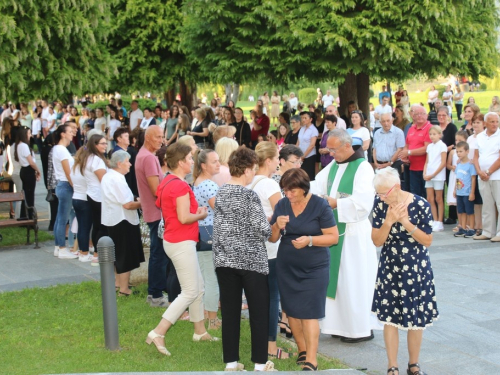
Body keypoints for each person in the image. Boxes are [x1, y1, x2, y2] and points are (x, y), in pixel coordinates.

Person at [146, 143, 216, 357]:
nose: (192, 162)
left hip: (176, 240)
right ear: (180, 162)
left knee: (199, 287)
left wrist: (196, 213)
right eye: (189, 158)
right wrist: (202, 215)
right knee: (190, 291)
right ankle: (159, 332)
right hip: (181, 241)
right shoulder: (179, 185)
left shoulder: (168, 180)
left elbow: (174, 212)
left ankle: (200, 331)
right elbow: (184, 218)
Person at [312, 129, 380, 343]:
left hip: (353, 234)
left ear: (347, 146)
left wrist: (335, 203)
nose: (330, 153)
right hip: (335, 230)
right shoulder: (334, 165)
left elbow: (363, 203)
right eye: (329, 149)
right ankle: (338, 325)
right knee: (338, 280)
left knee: (354, 280)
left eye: (334, 149)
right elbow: (317, 183)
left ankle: (359, 328)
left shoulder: (363, 168)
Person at [213, 147, 275, 372]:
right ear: (248, 170)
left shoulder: (221, 192)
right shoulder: (249, 195)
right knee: (259, 311)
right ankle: (260, 363)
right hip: (251, 261)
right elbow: (263, 230)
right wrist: (273, 222)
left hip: (224, 259)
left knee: (230, 312)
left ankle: (231, 362)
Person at [269, 168, 338, 370]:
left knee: (309, 312)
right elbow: (272, 238)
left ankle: (312, 359)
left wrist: (310, 240)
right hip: (287, 265)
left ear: (304, 188)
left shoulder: (320, 205)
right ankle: (301, 350)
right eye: (285, 191)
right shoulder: (282, 205)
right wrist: (275, 227)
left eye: (292, 191)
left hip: (314, 267)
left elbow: (332, 237)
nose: (288, 195)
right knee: (291, 310)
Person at [371, 167, 438, 375]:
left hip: (416, 267)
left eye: (384, 193)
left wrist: (404, 221)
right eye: (378, 193)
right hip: (390, 265)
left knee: (416, 319)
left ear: (396, 187)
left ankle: (414, 365)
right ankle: (392, 366)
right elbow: (377, 241)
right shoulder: (380, 205)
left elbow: (427, 240)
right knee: (390, 318)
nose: (381, 197)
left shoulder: (420, 204)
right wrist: (389, 222)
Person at [248, 142, 288, 360]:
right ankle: (270, 347)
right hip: (270, 247)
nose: (279, 162)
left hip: (252, 247)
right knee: (272, 297)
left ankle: (260, 341)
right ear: (270, 160)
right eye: (277, 158)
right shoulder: (270, 185)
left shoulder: (249, 181)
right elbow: (283, 214)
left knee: (258, 297)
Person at [101, 150, 145, 296]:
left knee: (118, 253)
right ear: (119, 163)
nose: (130, 164)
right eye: (127, 161)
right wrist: (143, 203)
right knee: (124, 254)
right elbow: (127, 204)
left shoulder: (109, 176)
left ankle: (118, 283)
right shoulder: (117, 178)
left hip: (112, 219)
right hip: (122, 219)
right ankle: (124, 289)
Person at [135, 125, 169, 307]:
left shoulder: (145, 155)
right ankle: (155, 295)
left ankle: (157, 291)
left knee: (159, 253)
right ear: (148, 138)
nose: (161, 140)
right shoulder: (148, 158)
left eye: (162, 137)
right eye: (158, 137)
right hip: (156, 212)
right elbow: (156, 190)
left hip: (153, 211)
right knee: (159, 254)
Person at [192, 149, 221, 330]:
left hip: (202, 232)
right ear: (203, 166)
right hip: (209, 233)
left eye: (218, 160)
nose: (218, 164)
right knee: (211, 279)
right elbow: (219, 208)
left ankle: (205, 314)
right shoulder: (209, 185)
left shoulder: (199, 182)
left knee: (205, 277)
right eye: (214, 161)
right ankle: (213, 319)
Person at [472, 112, 500, 242]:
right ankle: (488, 231)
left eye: (496, 121)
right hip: (482, 176)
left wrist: (488, 172)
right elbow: (476, 156)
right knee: (487, 205)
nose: (495, 124)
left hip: (497, 176)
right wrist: (479, 171)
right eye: (492, 122)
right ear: (485, 123)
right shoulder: (480, 137)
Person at [52, 124, 78, 259]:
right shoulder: (61, 150)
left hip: (62, 185)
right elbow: (68, 172)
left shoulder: (60, 149)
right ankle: (62, 248)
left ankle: (58, 246)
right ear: (63, 134)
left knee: (60, 218)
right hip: (66, 185)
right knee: (63, 219)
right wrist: (75, 186)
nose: (72, 133)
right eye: (69, 131)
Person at [82, 134, 108, 265]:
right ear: (95, 145)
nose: (105, 146)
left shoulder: (89, 158)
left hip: (93, 195)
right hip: (99, 196)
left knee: (97, 225)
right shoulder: (97, 160)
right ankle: (97, 255)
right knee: (101, 226)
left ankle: (97, 254)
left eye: (105, 143)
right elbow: (104, 180)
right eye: (102, 143)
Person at [399, 105, 431, 198]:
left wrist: (409, 153)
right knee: (414, 195)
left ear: (427, 115)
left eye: (422, 114)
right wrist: (404, 156)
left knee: (425, 196)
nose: (419, 116)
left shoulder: (429, 128)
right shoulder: (411, 128)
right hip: (412, 168)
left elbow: (426, 148)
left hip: (425, 169)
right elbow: (407, 145)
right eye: (417, 114)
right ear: (413, 116)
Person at [71, 147, 94, 262]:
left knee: (81, 227)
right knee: (85, 228)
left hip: (76, 198)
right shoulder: (85, 169)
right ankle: (84, 252)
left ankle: (82, 251)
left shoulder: (75, 167)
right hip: (85, 199)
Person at [423, 126, 447, 232]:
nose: (432, 136)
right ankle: (434, 219)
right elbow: (427, 162)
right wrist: (425, 173)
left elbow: (443, 162)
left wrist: (433, 174)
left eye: (434, 134)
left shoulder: (442, 146)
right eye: (430, 134)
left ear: (439, 135)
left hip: (438, 176)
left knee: (438, 198)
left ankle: (440, 222)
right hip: (429, 175)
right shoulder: (429, 147)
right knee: (430, 198)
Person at [15, 127, 41, 219]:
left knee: (26, 194)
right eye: (29, 133)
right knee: (29, 195)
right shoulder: (24, 146)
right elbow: (31, 162)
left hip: (25, 170)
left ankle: (24, 215)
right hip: (28, 170)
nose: (30, 135)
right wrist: (38, 170)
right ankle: (29, 216)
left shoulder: (19, 145)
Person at [453, 141, 477, 238]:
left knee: (469, 211)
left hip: (467, 192)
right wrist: (455, 190)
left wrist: (472, 192)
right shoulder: (458, 165)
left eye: (461, 151)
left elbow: (473, 178)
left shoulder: (470, 165)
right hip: (460, 192)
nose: (458, 153)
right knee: (461, 211)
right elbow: (457, 178)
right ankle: (462, 227)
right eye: (457, 152)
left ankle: (471, 228)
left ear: (467, 151)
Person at [467, 116, 484, 236]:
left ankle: (484, 225)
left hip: (482, 170)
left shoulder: (484, 137)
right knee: (476, 200)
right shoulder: (470, 138)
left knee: (484, 200)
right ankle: (477, 225)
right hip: (471, 171)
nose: (476, 124)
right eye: (474, 122)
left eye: (478, 122)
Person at [297, 111, 318, 181]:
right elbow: (298, 142)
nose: (303, 120)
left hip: (309, 156)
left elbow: (312, 145)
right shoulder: (302, 129)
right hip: (300, 155)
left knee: (308, 176)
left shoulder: (313, 130)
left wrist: (303, 156)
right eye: (302, 118)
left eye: (305, 118)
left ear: (310, 119)